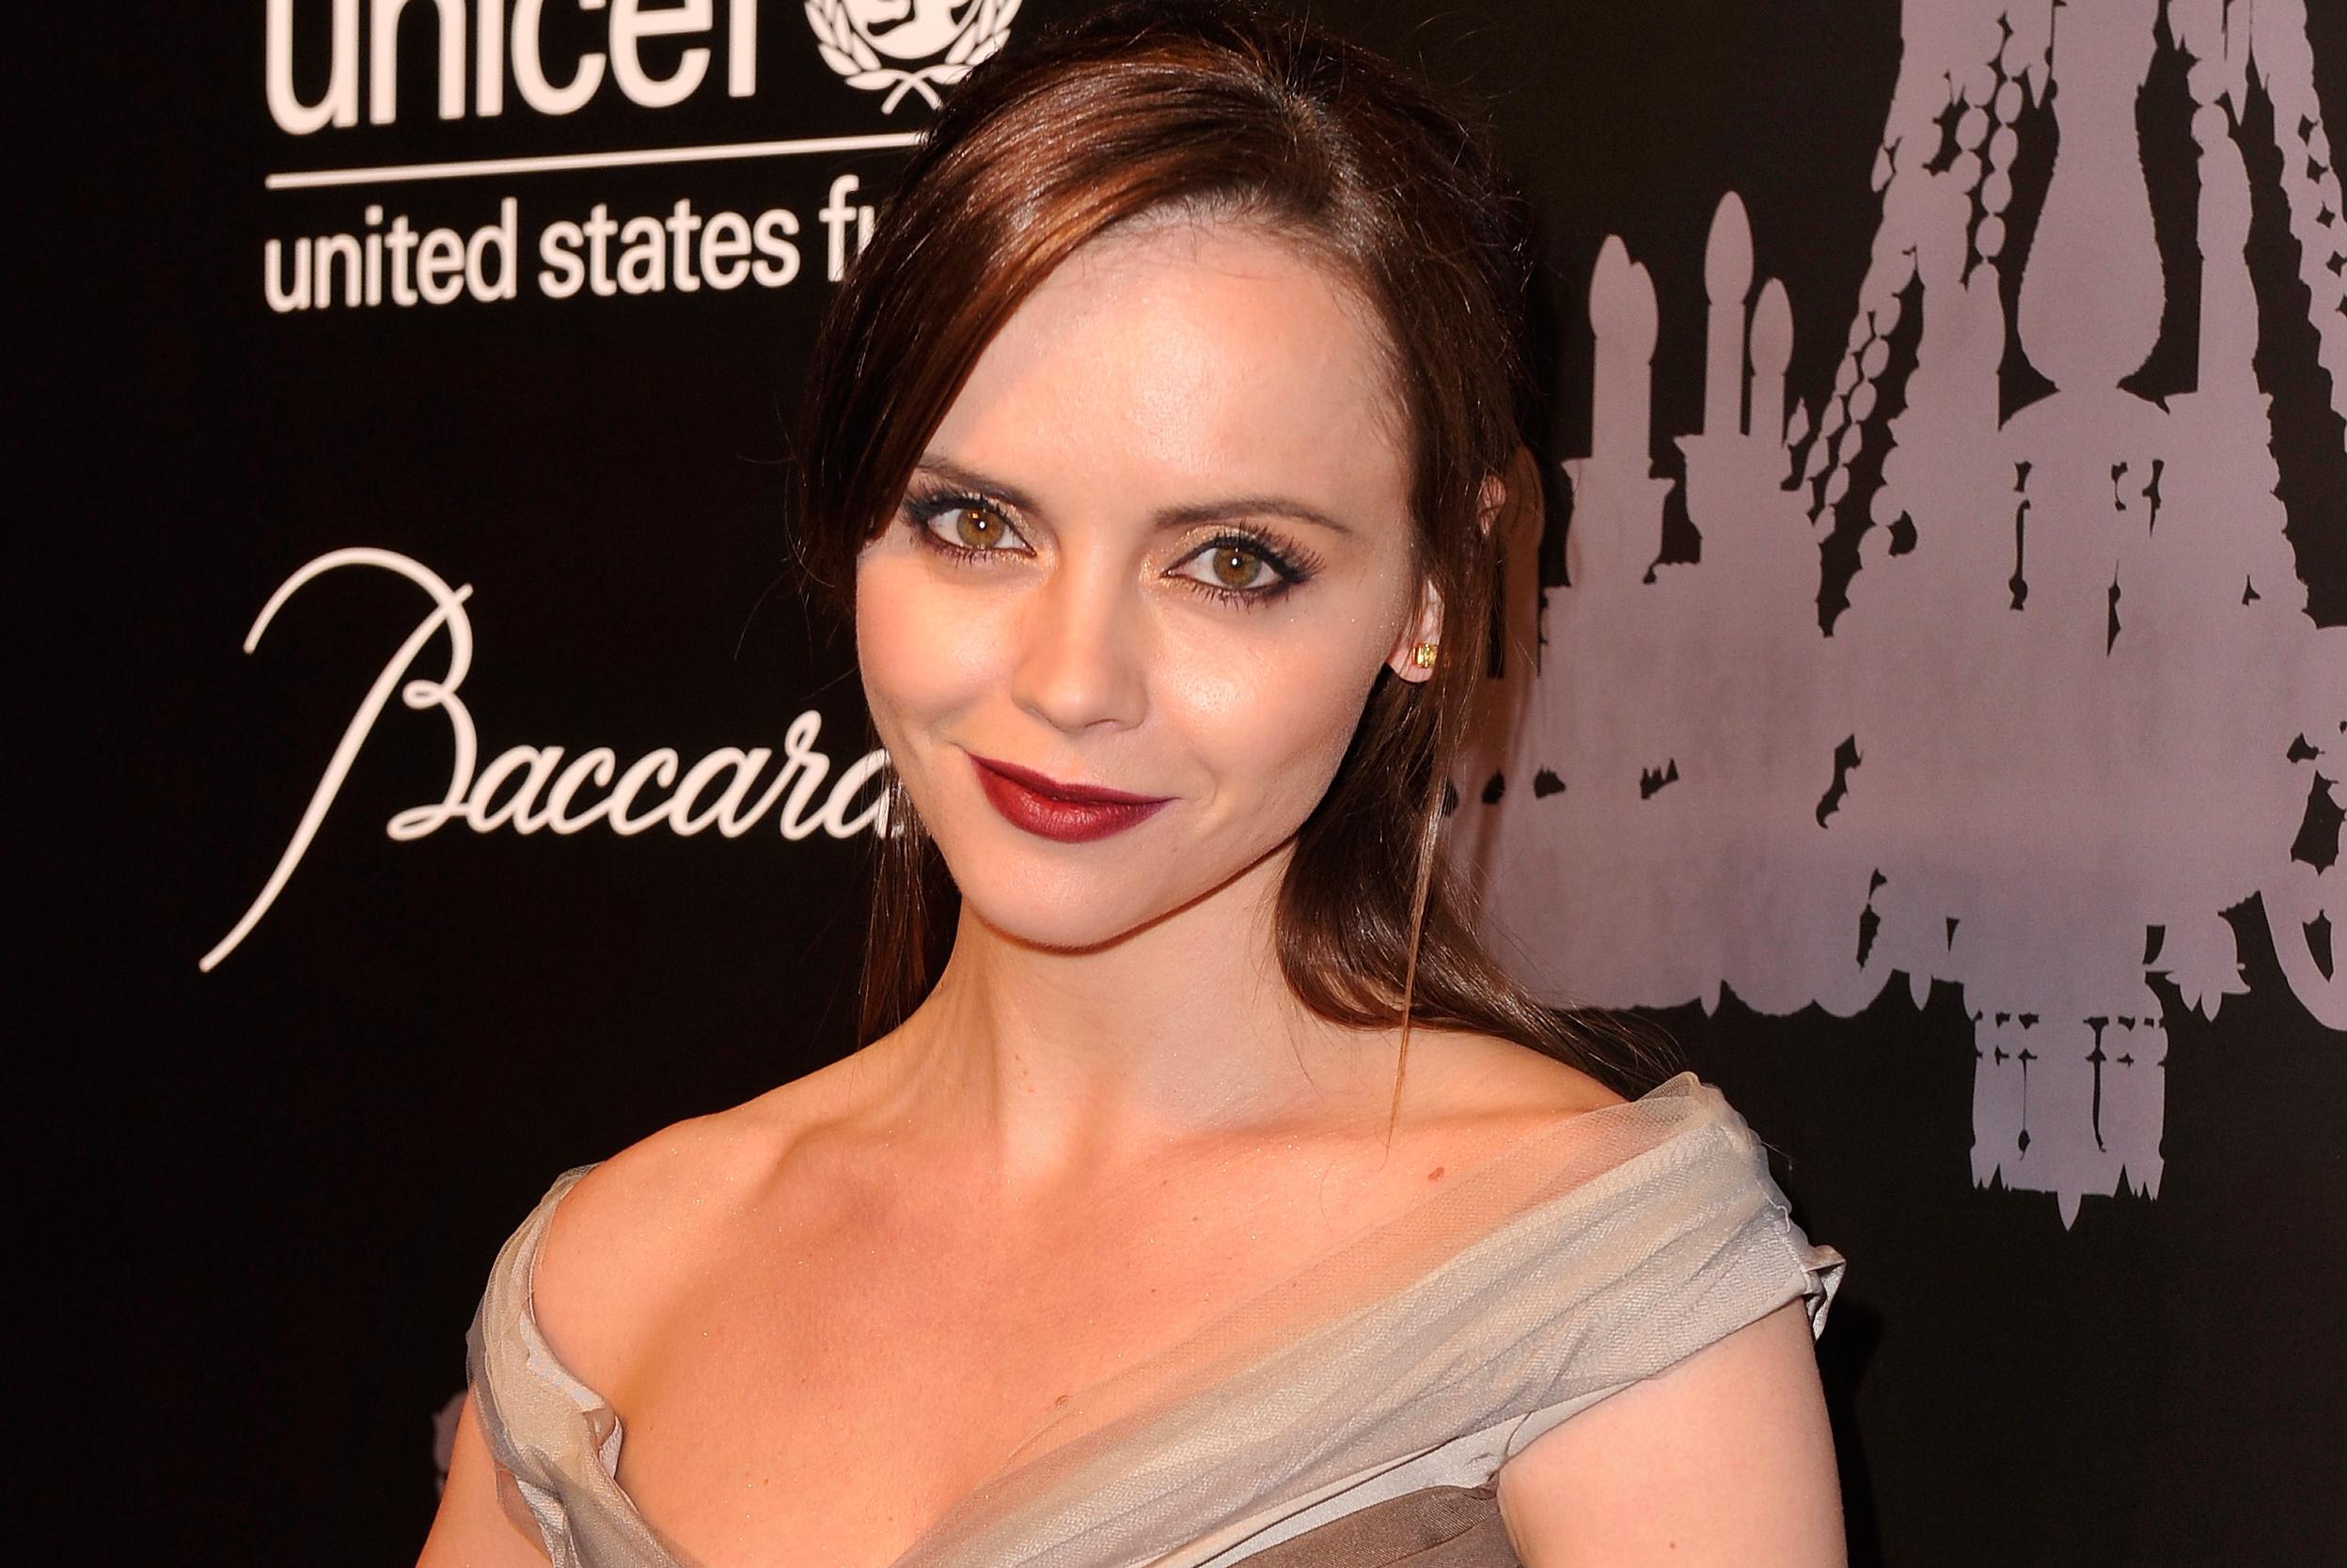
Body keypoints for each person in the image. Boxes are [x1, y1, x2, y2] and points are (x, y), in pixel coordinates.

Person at [417, 3, 1849, 1563]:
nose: (1071, 679)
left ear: (1436, 587)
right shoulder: (606, 1285)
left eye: (1233, 562)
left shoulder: (1599, 1277)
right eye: (976, 526)